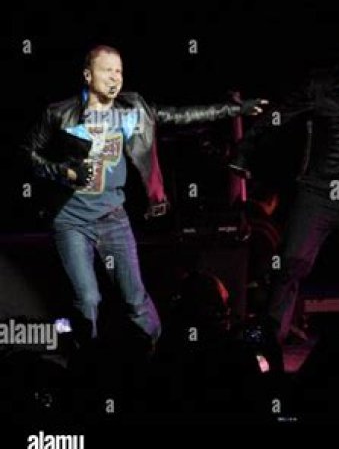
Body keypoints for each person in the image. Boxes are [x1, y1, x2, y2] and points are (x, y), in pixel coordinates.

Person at [21, 44, 267, 351]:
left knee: (135, 298)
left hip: (113, 218)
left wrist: (235, 110)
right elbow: (27, 154)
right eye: (107, 70)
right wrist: (64, 172)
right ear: (87, 75)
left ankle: (154, 358)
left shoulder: (133, 110)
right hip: (71, 221)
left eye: (119, 71)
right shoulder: (59, 113)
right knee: (88, 298)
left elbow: (180, 115)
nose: (115, 77)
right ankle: (86, 363)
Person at [230, 25, 339, 347]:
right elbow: (277, 116)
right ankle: (268, 342)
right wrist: (243, 152)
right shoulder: (322, 86)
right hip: (318, 190)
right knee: (291, 264)